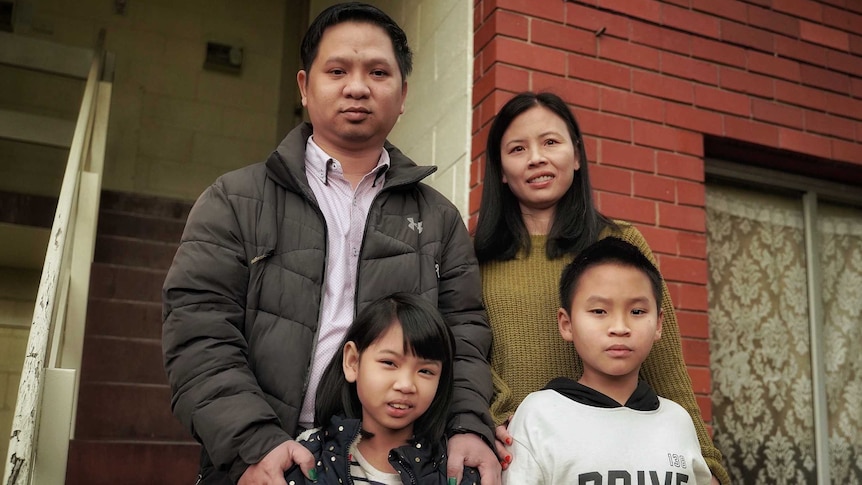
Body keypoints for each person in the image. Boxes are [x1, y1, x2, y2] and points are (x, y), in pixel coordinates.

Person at [162, 4, 498, 484]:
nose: (358, 86)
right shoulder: (235, 201)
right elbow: (198, 334)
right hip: (267, 461)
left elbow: (463, 338)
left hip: (396, 463)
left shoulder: (439, 219)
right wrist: (255, 445)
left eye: (379, 72)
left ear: (403, 94)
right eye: (337, 70)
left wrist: (468, 425)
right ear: (304, 87)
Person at [473, 92, 730, 484]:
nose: (536, 157)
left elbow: (666, 364)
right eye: (518, 148)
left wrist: (705, 463)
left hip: (619, 457)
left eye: (551, 142)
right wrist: (482, 418)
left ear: (576, 156)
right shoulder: (475, 257)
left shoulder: (622, 244)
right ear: (501, 170)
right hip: (515, 455)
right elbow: (464, 354)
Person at [502, 237, 712, 484]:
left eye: (637, 311)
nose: (620, 327)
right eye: (599, 311)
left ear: (658, 324)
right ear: (566, 324)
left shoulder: (678, 421)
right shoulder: (539, 415)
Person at [283, 293, 481, 484]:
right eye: (389, 363)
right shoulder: (309, 457)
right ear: (352, 361)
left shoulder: (454, 468)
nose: (406, 385)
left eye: (426, 371)